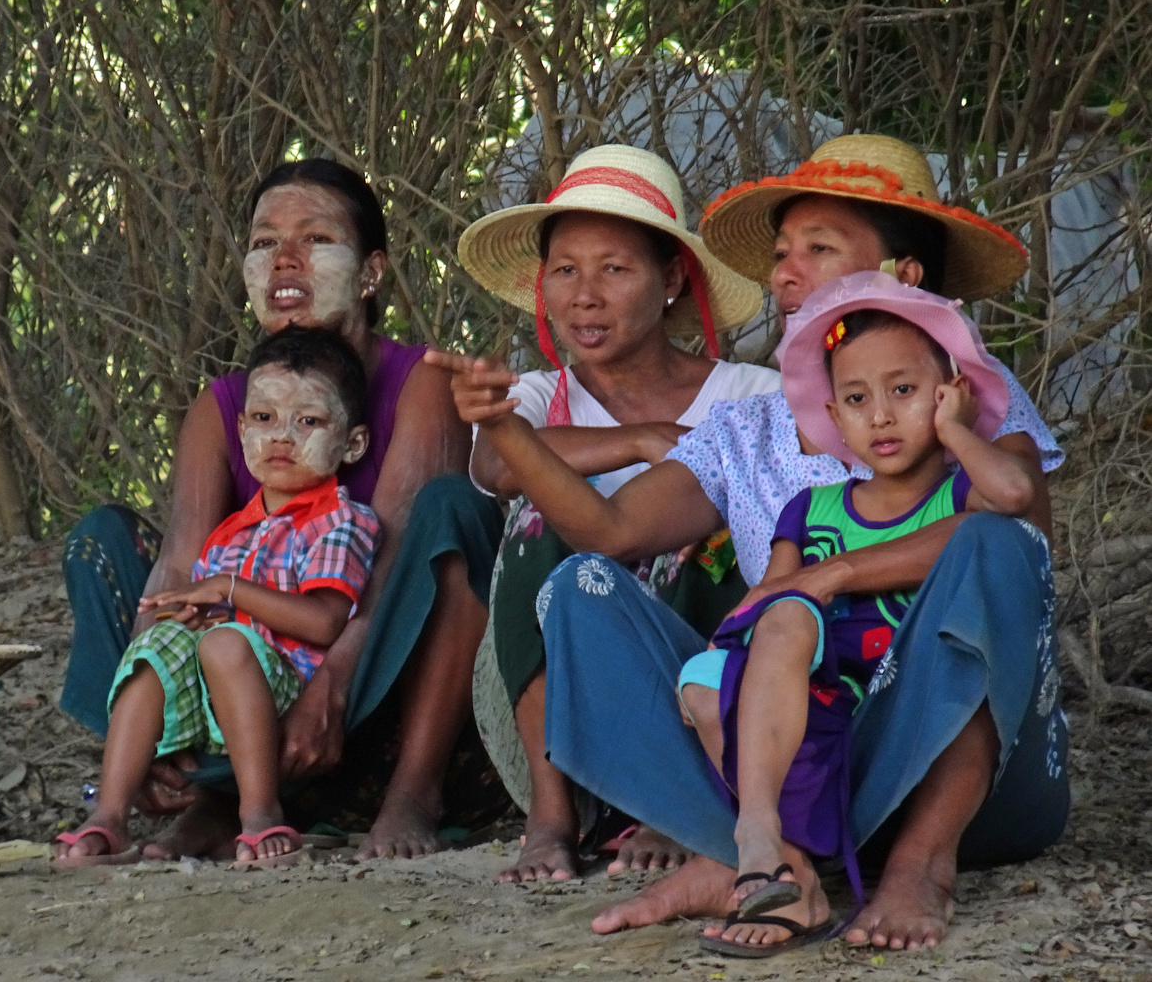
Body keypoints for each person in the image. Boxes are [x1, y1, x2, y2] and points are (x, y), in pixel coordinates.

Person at [430, 134, 1065, 951]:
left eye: (818, 248)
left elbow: (1019, 531)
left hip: (968, 776)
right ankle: (758, 857)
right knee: (583, 588)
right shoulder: (751, 426)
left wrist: (829, 575)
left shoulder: (968, 395)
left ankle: (918, 865)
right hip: (792, 762)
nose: (784, 273)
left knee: (992, 542)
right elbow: (611, 530)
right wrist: (509, 432)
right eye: (780, 252)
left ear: (903, 275)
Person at [59, 159, 507, 863]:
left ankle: (413, 792)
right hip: (239, 681)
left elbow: (391, 565)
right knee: (100, 541)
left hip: (367, 689)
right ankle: (199, 788)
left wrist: (327, 689)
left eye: (316, 238)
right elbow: (180, 562)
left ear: (370, 272)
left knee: (455, 514)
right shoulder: (223, 405)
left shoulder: (419, 381)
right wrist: (144, 700)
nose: (284, 259)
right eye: (264, 242)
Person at [680, 273, 1035, 955]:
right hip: (824, 718)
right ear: (833, 419)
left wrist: (956, 431)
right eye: (854, 399)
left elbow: (1015, 493)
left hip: (921, 717)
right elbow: (768, 614)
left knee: (991, 541)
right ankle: (763, 839)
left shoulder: (963, 491)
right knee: (742, 645)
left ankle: (913, 862)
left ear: (946, 391)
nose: (878, 416)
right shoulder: (808, 511)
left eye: (902, 392)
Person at [453, 144, 775, 883]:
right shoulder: (531, 400)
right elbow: (500, 465)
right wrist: (633, 440)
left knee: (713, 534)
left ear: (669, 280)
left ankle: (675, 798)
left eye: (613, 269)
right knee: (537, 520)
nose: (583, 295)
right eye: (564, 270)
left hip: (710, 694)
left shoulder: (749, 394)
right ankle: (550, 813)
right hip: (555, 703)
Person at [57, 328, 382, 865]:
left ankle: (258, 813)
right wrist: (191, 614)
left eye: (308, 421)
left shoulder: (339, 522)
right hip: (210, 695)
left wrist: (229, 593)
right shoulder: (231, 529)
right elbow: (208, 614)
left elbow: (326, 621)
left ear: (353, 443)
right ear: (241, 429)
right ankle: (109, 814)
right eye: (264, 418)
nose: (282, 436)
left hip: (286, 697)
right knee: (154, 650)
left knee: (227, 645)